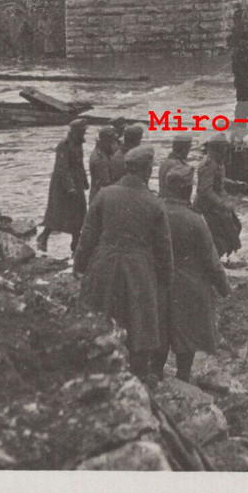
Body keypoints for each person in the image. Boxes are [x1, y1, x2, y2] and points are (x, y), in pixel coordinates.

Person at [74, 146, 173, 387]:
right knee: (139, 322)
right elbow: (164, 249)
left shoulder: (104, 194)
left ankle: (100, 368)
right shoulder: (154, 203)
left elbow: (88, 234)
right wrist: (166, 279)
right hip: (138, 269)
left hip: (104, 264)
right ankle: (137, 376)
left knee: (102, 315)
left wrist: (79, 265)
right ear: (147, 170)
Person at [153, 164, 230, 383]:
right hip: (188, 286)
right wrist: (224, 287)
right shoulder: (195, 219)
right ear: (187, 189)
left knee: (159, 333)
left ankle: (156, 377)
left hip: (158, 283)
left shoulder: (155, 212)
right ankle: (183, 378)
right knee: (186, 338)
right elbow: (211, 261)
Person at [37, 118, 90, 253]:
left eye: (84, 132)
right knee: (57, 214)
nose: (83, 134)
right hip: (62, 185)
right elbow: (62, 169)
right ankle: (43, 237)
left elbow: (80, 164)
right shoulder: (64, 145)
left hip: (76, 182)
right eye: (82, 132)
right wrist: (70, 187)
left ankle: (75, 243)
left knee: (79, 212)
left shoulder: (79, 144)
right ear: (74, 132)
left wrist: (85, 181)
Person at [194, 132, 243, 265]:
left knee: (234, 227)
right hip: (208, 206)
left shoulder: (216, 162)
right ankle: (214, 260)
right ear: (218, 148)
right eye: (224, 148)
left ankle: (218, 258)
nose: (226, 151)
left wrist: (234, 184)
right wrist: (222, 204)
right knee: (221, 233)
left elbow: (219, 179)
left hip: (217, 203)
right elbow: (205, 191)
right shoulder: (208, 164)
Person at [88, 126, 120, 205]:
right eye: (112, 141)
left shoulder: (103, 153)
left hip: (100, 197)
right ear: (106, 141)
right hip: (100, 200)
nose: (114, 144)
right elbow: (105, 183)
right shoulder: (100, 159)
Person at [158, 133, 192, 198]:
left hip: (161, 201)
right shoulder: (181, 167)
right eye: (189, 147)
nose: (188, 151)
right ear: (184, 149)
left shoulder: (164, 163)